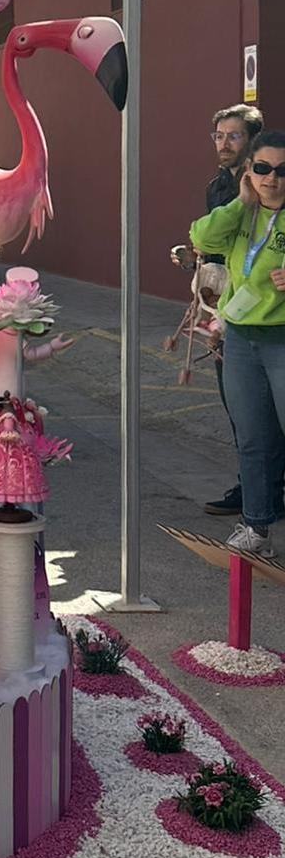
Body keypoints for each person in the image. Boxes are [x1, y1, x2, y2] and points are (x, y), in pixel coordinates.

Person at [190, 129, 285, 556]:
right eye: (262, 168)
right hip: (243, 339)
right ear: (249, 172)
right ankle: (257, 526)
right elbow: (202, 238)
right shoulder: (241, 212)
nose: (272, 179)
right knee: (252, 437)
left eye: (282, 171)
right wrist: (240, 202)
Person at [174, 104, 264, 515]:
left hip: (260, 305)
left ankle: (259, 493)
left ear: (252, 141)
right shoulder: (217, 186)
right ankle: (254, 489)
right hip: (223, 304)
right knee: (237, 405)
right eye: (218, 136)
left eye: (234, 136)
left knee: (255, 407)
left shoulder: (265, 183)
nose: (224, 144)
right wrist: (193, 259)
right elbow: (217, 246)